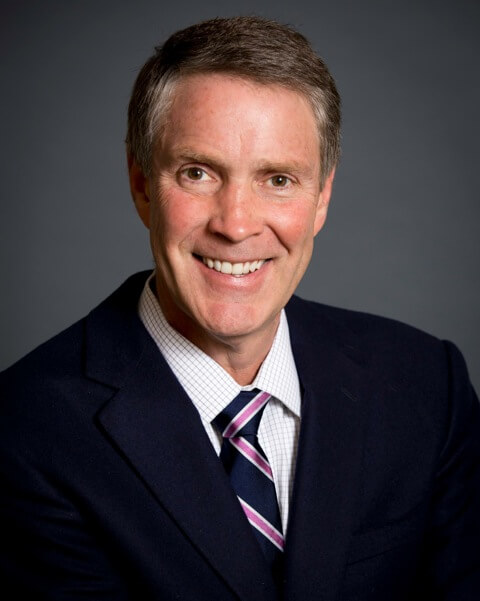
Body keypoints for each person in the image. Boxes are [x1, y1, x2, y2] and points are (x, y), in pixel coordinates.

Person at [1, 15, 479, 601]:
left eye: (278, 179)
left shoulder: (427, 387)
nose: (236, 224)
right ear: (142, 185)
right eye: (198, 173)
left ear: (322, 196)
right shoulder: (26, 430)